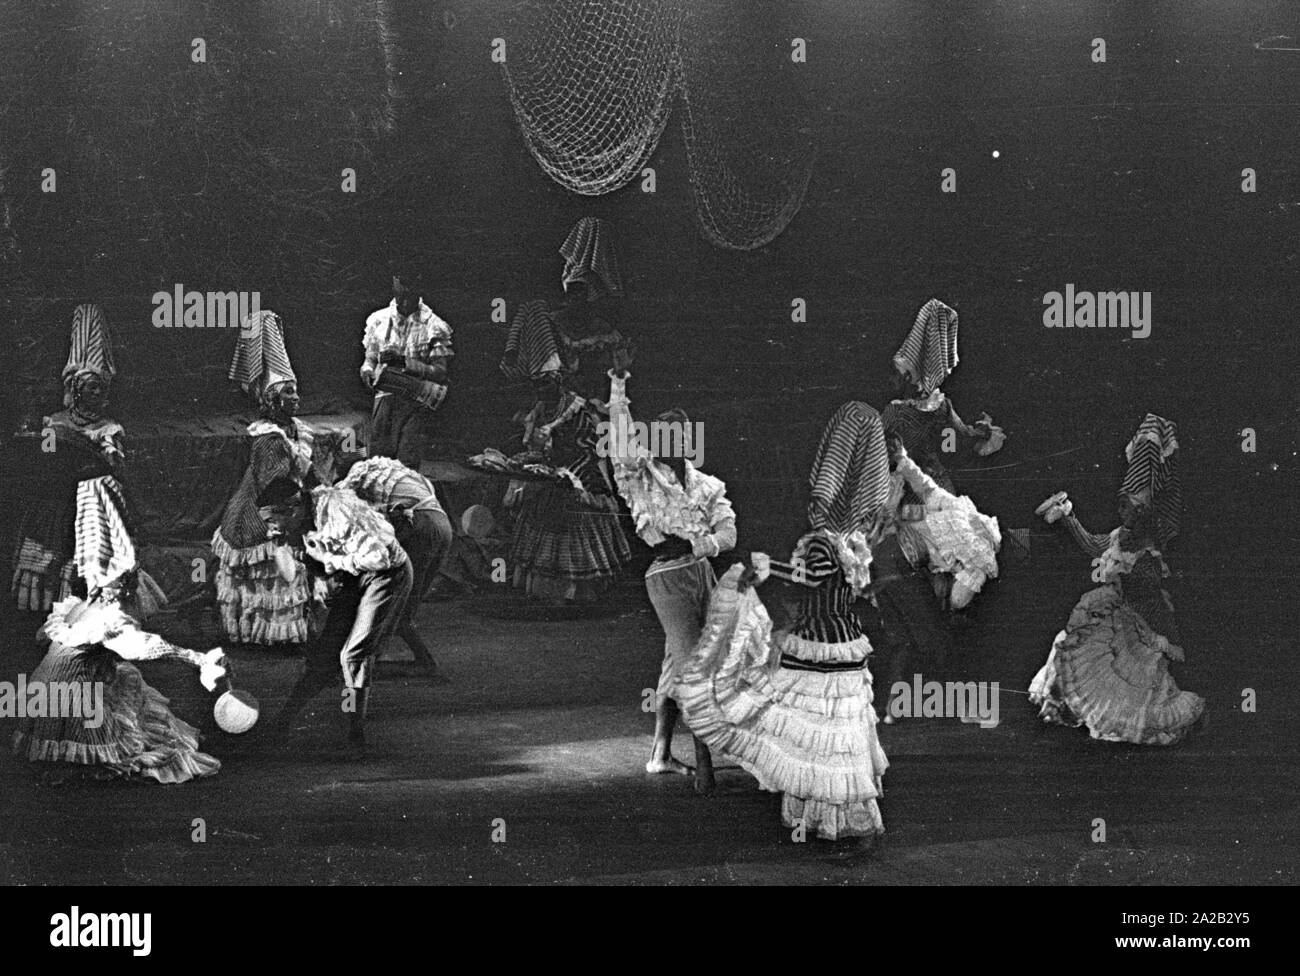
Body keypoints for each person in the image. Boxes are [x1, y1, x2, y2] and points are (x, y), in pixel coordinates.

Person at [675, 402, 891, 850]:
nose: (813, 502)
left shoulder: (825, 542)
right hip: (844, 645)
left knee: (815, 737)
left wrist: (761, 568)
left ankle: (836, 821)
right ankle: (839, 820)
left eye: (819, 496)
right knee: (836, 739)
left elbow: (811, 576)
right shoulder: (856, 541)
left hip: (819, 646)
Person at [1029, 414, 1205, 745]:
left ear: (1144, 516)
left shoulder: (1147, 556)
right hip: (1117, 608)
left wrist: (1163, 635)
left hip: (1138, 619)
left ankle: (1110, 717)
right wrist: (1068, 518)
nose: (1124, 513)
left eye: (1130, 509)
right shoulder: (1119, 537)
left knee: (1126, 677)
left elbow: (1149, 597)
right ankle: (1071, 708)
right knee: (1072, 645)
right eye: (1122, 507)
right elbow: (1092, 545)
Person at [605, 355, 736, 787]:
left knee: (674, 666)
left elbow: (728, 533)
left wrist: (700, 544)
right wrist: (620, 384)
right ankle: (705, 763)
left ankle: (660, 754)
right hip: (667, 578)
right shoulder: (641, 476)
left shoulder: (705, 484)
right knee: (694, 666)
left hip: (702, 573)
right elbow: (621, 436)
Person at [13, 568, 228, 784]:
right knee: (131, 699)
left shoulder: (78, 605)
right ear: (124, 591)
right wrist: (199, 659)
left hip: (39, 694)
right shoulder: (108, 618)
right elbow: (152, 648)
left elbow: (42, 638)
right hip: (71, 700)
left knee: (124, 674)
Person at [12, 305, 160, 612]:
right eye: (92, 387)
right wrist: (56, 441)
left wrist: (98, 449)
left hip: (94, 500)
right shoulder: (56, 421)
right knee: (53, 541)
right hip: (59, 497)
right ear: (78, 390)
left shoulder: (108, 427)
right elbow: (47, 456)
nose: (99, 393)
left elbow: (115, 465)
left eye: (102, 388)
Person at [271, 486, 413, 747]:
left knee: (352, 654)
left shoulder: (336, 509)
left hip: (387, 575)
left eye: (272, 521)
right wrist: (314, 567)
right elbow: (319, 567)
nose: (270, 529)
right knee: (325, 656)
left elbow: (377, 559)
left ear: (292, 510)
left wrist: (330, 561)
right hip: (357, 576)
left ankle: (355, 735)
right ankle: (282, 722)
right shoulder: (300, 522)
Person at [211, 311, 320, 647]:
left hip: (284, 501)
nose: (296, 398)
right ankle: (264, 635)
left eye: (296, 390)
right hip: (261, 511)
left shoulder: (294, 430)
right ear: (273, 400)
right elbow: (274, 486)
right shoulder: (269, 439)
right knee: (276, 565)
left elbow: (305, 468)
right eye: (289, 393)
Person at [338, 454, 453, 675]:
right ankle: (421, 660)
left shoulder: (355, 483)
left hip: (421, 527)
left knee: (392, 598)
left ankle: (370, 662)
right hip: (442, 524)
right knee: (405, 603)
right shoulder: (392, 470)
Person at [360, 276, 454, 467]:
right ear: (394, 282)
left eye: (411, 284)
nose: (406, 289)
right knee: (378, 462)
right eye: (401, 282)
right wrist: (368, 369)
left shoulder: (434, 326)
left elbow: (440, 372)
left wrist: (406, 362)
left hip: (416, 402)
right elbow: (370, 357)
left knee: (407, 463)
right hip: (385, 400)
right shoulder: (379, 320)